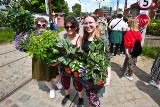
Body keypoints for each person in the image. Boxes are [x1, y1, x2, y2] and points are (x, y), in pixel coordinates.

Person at [81, 14, 111, 107]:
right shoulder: (84, 38)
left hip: (97, 73)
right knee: (88, 93)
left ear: (96, 23)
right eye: (85, 23)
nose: (87, 25)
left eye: (90, 22)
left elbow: (107, 59)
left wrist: (109, 76)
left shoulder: (102, 39)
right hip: (86, 72)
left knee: (93, 97)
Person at [32, 17, 62, 99]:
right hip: (40, 60)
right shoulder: (33, 35)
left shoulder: (51, 33)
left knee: (56, 75)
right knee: (45, 75)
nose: (41, 26)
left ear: (46, 24)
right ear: (36, 25)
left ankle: (56, 83)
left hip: (51, 58)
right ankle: (51, 89)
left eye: (43, 24)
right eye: (39, 24)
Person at [59, 16, 84, 107]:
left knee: (77, 83)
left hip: (75, 66)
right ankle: (67, 95)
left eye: (72, 27)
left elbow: (80, 54)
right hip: (64, 65)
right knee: (65, 82)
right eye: (67, 27)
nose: (69, 29)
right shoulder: (63, 37)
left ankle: (81, 98)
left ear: (76, 27)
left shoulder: (80, 38)